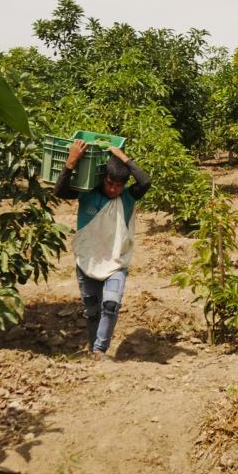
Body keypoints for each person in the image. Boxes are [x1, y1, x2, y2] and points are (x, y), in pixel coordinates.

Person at [54, 140, 152, 361]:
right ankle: (93, 350)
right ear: (103, 179)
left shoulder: (127, 197)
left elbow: (145, 181)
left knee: (110, 304)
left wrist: (122, 156)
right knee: (92, 311)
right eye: (109, 183)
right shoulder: (87, 193)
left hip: (115, 261)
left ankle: (100, 350)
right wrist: (71, 162)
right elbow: (59, 191)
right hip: (87, 260)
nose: (113, 189)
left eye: (118, 185)